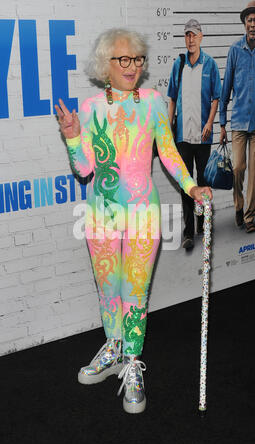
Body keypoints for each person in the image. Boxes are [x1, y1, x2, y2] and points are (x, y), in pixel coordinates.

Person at [55, 28, 212, 414]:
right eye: (122, 59)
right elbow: (84, 169)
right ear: (105, 65)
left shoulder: (154, 102)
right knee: (109, 290)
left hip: (144, 213)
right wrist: (74, 138)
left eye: (137, 59)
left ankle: (133, 363)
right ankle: (112, 350)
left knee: (135, 292)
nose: (132, 66)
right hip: (101, 214)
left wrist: (192, 186)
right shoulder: (91, 108)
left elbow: (170, 152)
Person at [167, 19, 221, 250]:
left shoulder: (209, 65)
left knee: (204, 182)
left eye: (194, 35)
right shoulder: (178, 65)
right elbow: (171, 97)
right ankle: (189, 231)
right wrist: (168, 125)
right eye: (187, 35)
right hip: (182, 136)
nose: (190, 39)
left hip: (203, 135)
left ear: (200, 37)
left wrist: (210, 122)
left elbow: (215, 98)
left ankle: (203, 223)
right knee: (185, 183)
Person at [220, 1, 255, 233]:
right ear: (244, 24)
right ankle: (238, 206)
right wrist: (222, 124)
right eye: (250, 20)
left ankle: (251, 216)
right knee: (238, 168)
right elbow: (226, 90)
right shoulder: (235, 51)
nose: (253, 24)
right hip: (239, 122)